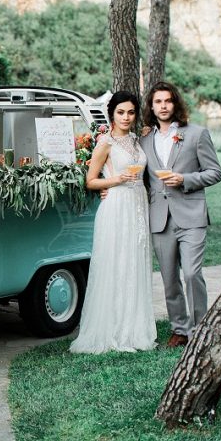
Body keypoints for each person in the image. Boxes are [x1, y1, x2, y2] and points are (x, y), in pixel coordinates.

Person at [70, 91, 157, 354]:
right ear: (112, 114)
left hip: (139, 205)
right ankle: (113, 328)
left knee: (135, 263)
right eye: (121, 112)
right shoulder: (105, 143)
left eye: (131, 112)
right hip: (117, 205)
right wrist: (115, 181)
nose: (126, 117)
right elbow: (91, 180)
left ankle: (134, 328)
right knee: (116, 263)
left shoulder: (137, 139)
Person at [139, 81, 221, 347]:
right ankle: (179, 329)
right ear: (152, 107)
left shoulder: (196, 134)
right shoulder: (143, 140)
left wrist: (184, 179)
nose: (163, 106)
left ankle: (200, 330)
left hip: (191, 215)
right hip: (160, 218)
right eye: (158, 102)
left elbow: (215, 172)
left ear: (175, 103)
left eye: (168, 101)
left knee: (191, 274)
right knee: (169, 278)